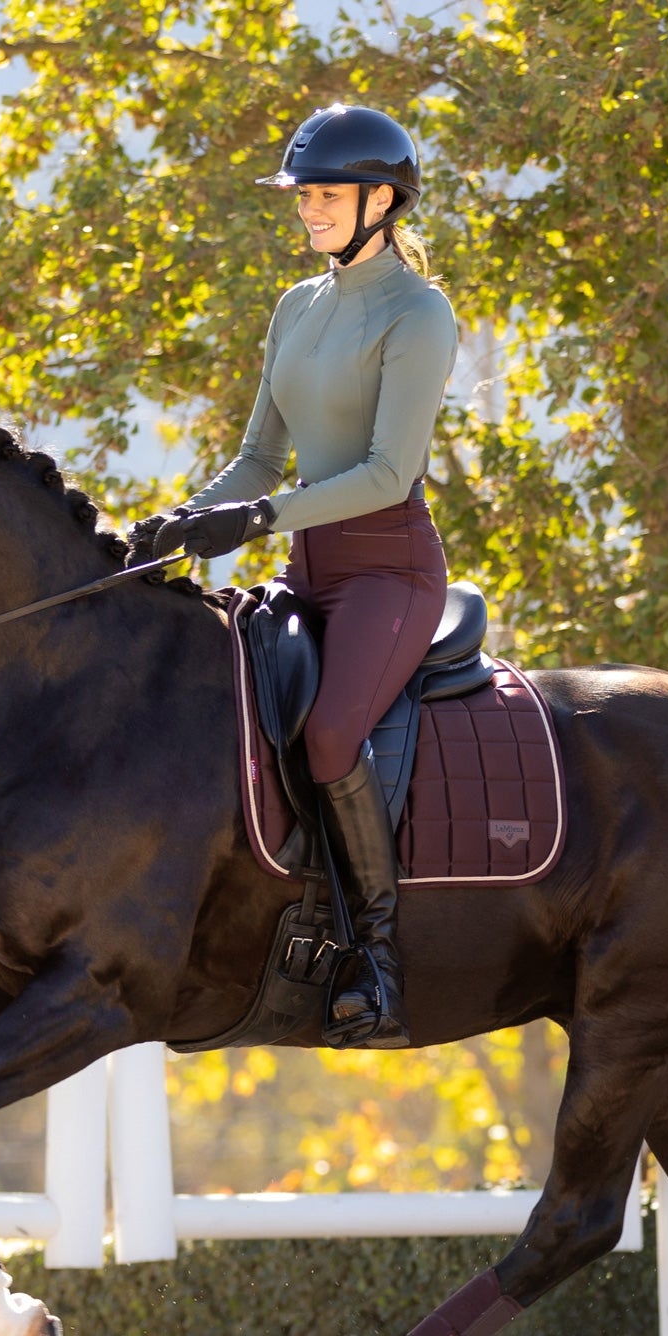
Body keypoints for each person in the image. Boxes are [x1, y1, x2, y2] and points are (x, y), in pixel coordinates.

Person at [133, 103, 458, 1047]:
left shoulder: (418, 313)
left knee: (326, 739)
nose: (309, 209)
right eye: (304, 194)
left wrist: (261, 517)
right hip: (307, 564)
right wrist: (186, 518)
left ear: (382, 200)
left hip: (389, 572)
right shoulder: (296, 307)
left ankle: (381, 962)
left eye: (325, 194)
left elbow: (388, 474)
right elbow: (257, 461)